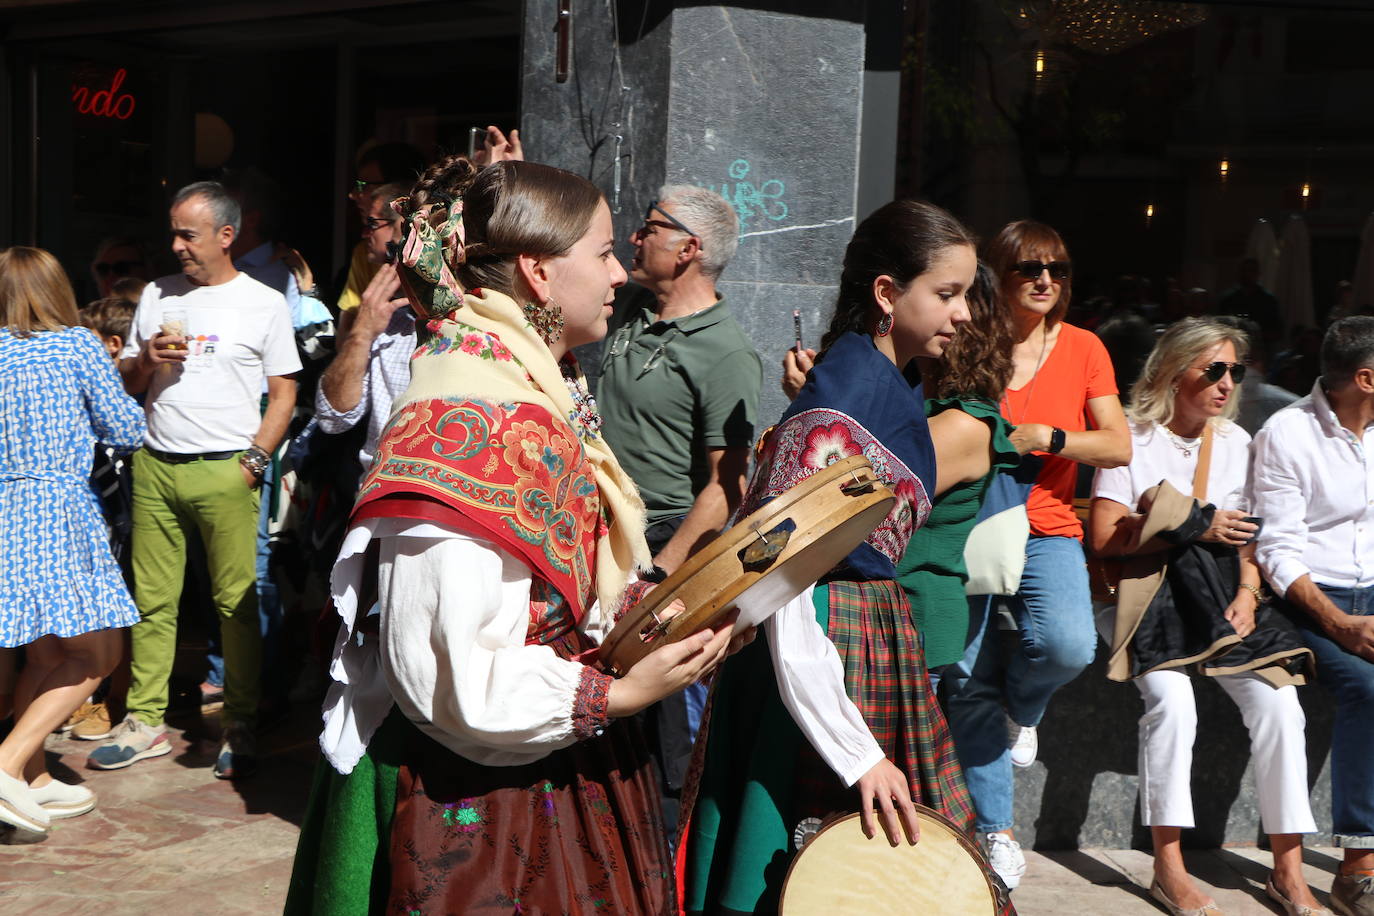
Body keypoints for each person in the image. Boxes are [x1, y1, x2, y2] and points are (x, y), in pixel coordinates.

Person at [286, 158, 739, 914]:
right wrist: (619, 693)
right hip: (483, 792)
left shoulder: (526, 378)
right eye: (600, 252)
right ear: (537, 270)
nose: (618, 274)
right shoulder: (472, 409)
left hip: (543, 760)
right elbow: (450, 673)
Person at [684, 200, 1014, 916]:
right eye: (947, 294)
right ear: (889, 294)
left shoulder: (882, 383)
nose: (964, 315)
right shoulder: (843, 396)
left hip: (863, 645)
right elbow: (781, 578)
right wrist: (854, 750)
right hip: (817, 655)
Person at [1088, 318, 1325, 916]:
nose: (1226, 383)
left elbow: (1247, 539)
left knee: (1280, 704)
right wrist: (1189, 522)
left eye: (1235, 372)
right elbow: (1105, 539)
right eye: (1212, 369)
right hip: (1143, 596)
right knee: (1173, 701)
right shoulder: (1132, 438)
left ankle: (1288, 870)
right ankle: (1168, 866)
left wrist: (1248, 592)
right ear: (1173, 371)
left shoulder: (1238, 444)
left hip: (1217, 599)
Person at [90, 181, 301, 780]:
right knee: (153, 602)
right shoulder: (158, 293)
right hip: (157, 464)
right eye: (175, 232)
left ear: (225, 236)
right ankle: (145, 721)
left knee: (235, 602)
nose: (177, 245)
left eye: (189, 233)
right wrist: (145, 360)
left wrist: (256, 460)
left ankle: (239, 721)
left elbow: (285, 392)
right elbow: (127, 383)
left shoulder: (263, 302)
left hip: (227, 467)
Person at [943, 220, 1131, 890]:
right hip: (969, 520)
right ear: (1001, 273)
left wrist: (1047, 437)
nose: (1046, 280)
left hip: (1048, 522)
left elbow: (1117, 446)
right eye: (1030, 268)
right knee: (965, 677)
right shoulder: (968, 339)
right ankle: (993, 831)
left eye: (1057, 268)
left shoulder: (1083, 348)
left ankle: (1021, 711)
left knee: (1067, 646)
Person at [597, 184, 761, 834]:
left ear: (689, 249)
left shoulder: (726, 351)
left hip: (659, 548)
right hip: (596, 531)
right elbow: (542, 328)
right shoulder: (629, 305)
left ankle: (662, 869)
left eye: (649, 228)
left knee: (663, 733)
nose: (634, 238)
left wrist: (658, 573)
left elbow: (728, 485)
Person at [783, 265, 1023, 682]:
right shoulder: (918, 401)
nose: (956, 314)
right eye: (945, 297)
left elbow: (864, 491)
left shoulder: (964, 423)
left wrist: (820, 408)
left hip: (913, 625)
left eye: (957, 299)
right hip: (880, 621)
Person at [0, 246, 145, 841]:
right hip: (57, 511)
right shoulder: (78, 344)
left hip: (5, 511)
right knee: (97, 655)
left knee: (44, 653)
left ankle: (33, 780)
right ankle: (8, 763)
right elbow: (126, 428)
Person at [1254, 317, 1374, 916]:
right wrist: (1339, 623)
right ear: (1366, 378)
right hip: (1308, 597)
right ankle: (1357, 868)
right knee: (1367, 687)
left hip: (1372, 590)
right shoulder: (1287, 433)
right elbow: (1277, 552)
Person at [315, 182, 417, 475]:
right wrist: (361, 333)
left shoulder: (474, 322)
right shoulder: (382, 317)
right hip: (376, 493)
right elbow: (332, 418)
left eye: (372, 224)